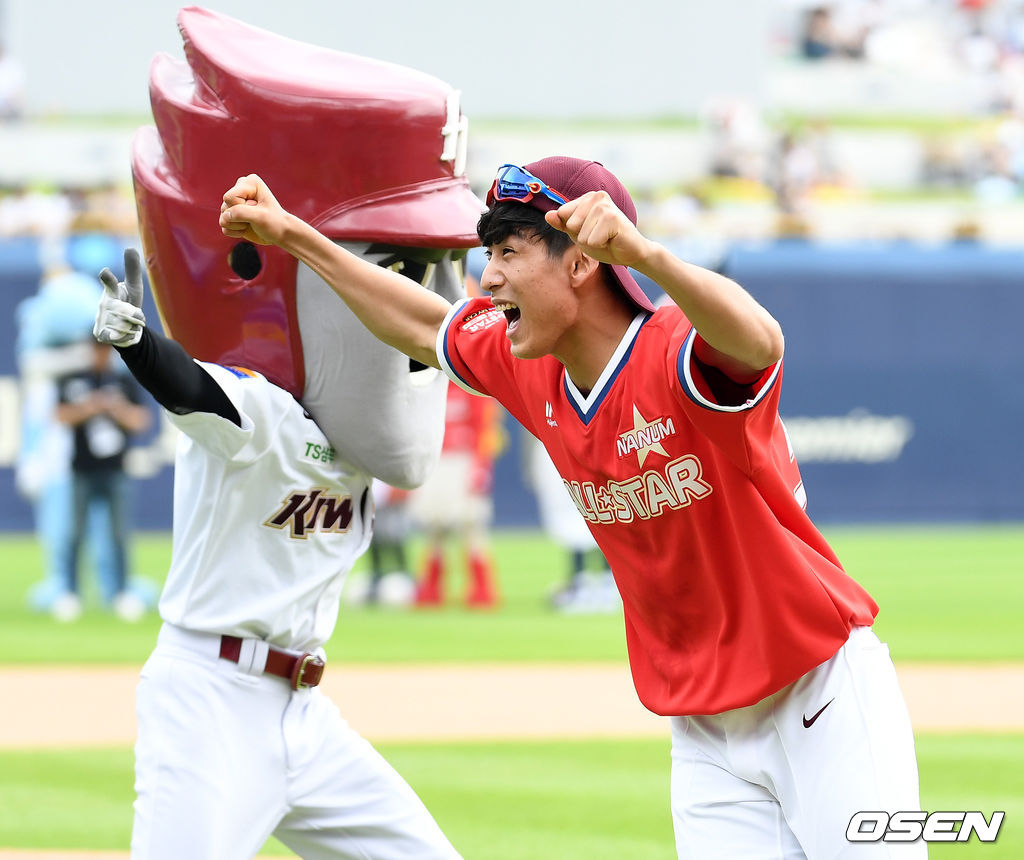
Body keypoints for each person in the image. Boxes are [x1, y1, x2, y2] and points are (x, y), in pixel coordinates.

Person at [220, 156, 924, 858]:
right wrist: (294, 237)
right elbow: (421, 325)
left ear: (583, 262)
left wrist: (646, 255)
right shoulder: (531, 368)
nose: (487, 275)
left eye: (507, 252)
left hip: (820, 699)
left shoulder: (677, 350)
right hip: (704, 729)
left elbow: (760, 341)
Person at [93, 250, 462, 859]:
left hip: (305, 710)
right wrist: (141, 348)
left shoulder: (368, 450)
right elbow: (197, 391)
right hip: (210, 699)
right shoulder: (269, 411)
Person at [54, 337, 152, 621]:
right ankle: (70, 594)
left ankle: (122, 593)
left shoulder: (122, 382)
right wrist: (89, 408)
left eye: (103, 349)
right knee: (75, 534)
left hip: (116, 470)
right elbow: (59, 416)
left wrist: (114, 408)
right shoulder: (73, 381)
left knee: (119, 534)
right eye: (95, 349)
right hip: (82, 469)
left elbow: (140, 421)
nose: (99, 354)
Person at [407, 381, 503, 609]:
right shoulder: (426, 388)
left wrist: (481, 465)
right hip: (435, 461)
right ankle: (431, 589)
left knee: (471, 525)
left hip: (463, 461)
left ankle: (481, 589)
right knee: (434, 527)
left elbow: (485, 427)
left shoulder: (473, 388)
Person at [524, 434, 619, 614]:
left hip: (586, 446)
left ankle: (604, 583)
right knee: (573, 519)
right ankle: (583, 580)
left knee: (599, 514)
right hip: (562, 446)